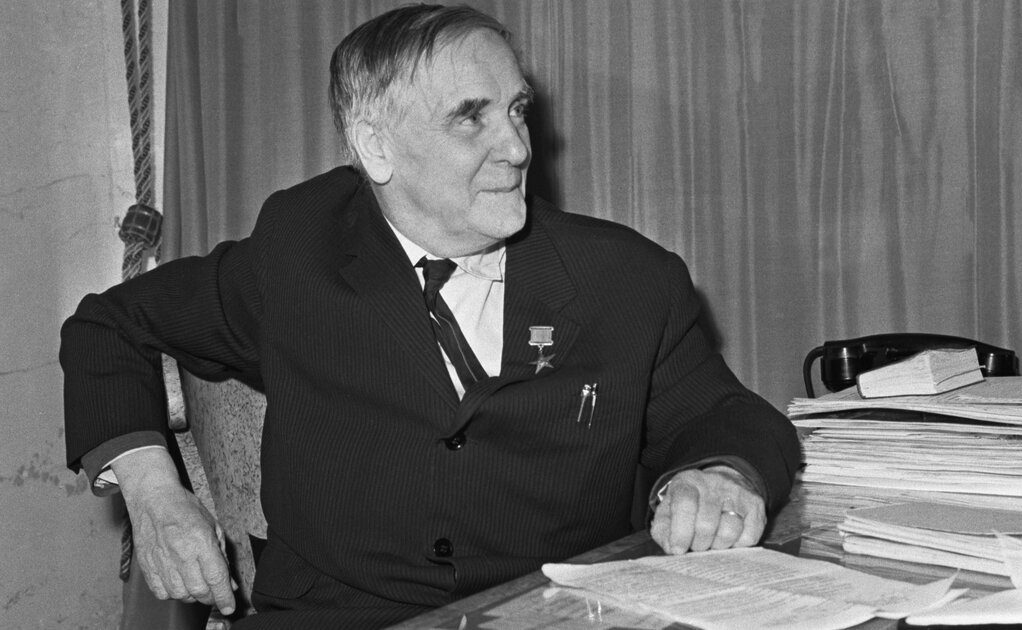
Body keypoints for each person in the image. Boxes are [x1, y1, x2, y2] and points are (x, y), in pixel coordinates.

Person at [61, 4, 801, 628]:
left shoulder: (625, 279)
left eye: (516, 110)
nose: (516, 147)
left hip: (550, 613)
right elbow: (109, 325)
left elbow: (724, 414)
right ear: (376, 148)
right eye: (470, 119)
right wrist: (154, 493)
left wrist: (719, 474)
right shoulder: (299, 249)